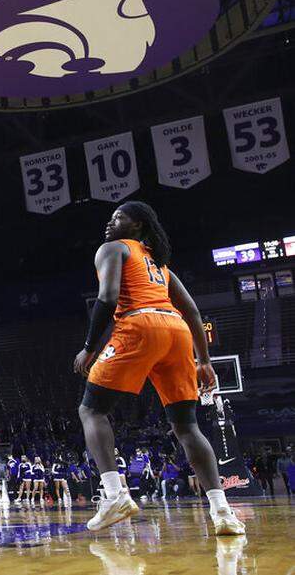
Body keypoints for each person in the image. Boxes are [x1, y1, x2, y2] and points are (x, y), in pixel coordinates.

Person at [73, 202, 244, 535]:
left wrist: (89, 348)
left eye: (118, 218)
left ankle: (113, 495)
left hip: (140, 325)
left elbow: (107, 299)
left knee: (91, 410)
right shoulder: (160, 265)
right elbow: (193, 311)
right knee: (187, 426)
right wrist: (204, 360)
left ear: (137, 225)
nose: (109, 223)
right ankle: (222, 512)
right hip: (176, 331)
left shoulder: (112, 249)